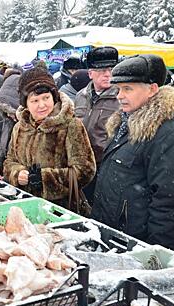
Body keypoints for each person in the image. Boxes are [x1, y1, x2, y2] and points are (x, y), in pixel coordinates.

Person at [91, 54, 174, 251]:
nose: (119, 96)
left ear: (152, 89)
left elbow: (169, 201)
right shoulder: (125, 122)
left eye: (128, 88)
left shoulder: (167, 133)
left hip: (137, 244)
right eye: (119, 89)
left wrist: (155, 254)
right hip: (113, 236)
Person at [3, 67, 96, 209]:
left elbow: (86, 170)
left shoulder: (71, 125)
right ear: (25, 104)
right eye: (35, 100)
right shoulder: (20, 127)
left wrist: (45, 178)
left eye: (46, 98)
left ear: (54, 96)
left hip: (61, 209)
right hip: (26, 204)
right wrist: (17, 173)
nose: (42, 105)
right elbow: (10, 160)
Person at [74, 46, 120, 203]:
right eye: (101, 70)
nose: (107, 74)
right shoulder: (81, 96)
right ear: (90, 73)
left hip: (107, 167)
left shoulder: (121, 98)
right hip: (83, 166)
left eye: (111, 69)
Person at [0, 67, 22, 179]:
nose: (8, 115)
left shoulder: (28, 126)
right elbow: (2, 144)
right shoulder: (9, 120)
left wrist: (11, 175)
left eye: (10, 111)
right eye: (5, 111)